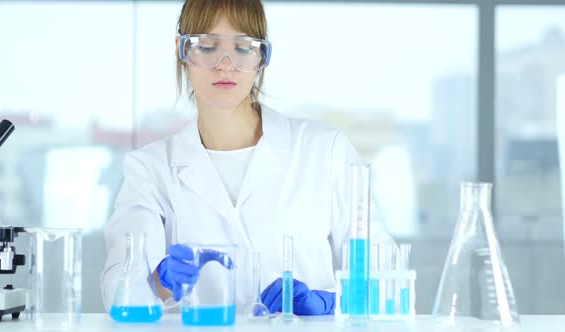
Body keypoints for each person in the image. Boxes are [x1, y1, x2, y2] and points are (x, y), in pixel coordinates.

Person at [101, 0, 390, 315]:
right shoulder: (151, 169)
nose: (225, 64)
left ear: (261, 57)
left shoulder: (324, 150)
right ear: (182, 51)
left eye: (243, 48)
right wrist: (159, 281)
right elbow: (118, 294)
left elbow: (386, 277)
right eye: (207, 46)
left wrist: (331, 303)